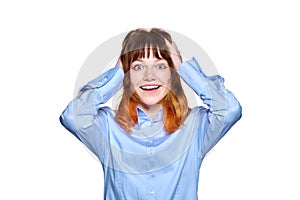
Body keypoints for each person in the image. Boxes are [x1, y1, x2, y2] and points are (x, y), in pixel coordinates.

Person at [60, 28, 242, 199]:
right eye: (138, 67)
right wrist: (116, 74)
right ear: (127, 75)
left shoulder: (195, 125)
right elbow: (72, 117)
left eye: (161, 66)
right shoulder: (108, 126)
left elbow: (230, 109)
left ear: (173, 74)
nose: (149, 76)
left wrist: (182, 66)